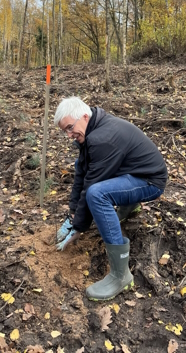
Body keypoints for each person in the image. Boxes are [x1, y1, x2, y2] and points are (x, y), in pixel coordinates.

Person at [54, 97, 167, 300]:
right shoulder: (92, 129)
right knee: (95, 188)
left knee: (97, 194)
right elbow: (82, 173)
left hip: (150, 181)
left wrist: (78, 227)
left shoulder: (102, 138)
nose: (69, 135)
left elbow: (90, 187)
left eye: (70, 128)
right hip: (133, 172)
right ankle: (130, 207)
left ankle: (120, 275)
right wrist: (72, 213)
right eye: (65, 131)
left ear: (85, 116)